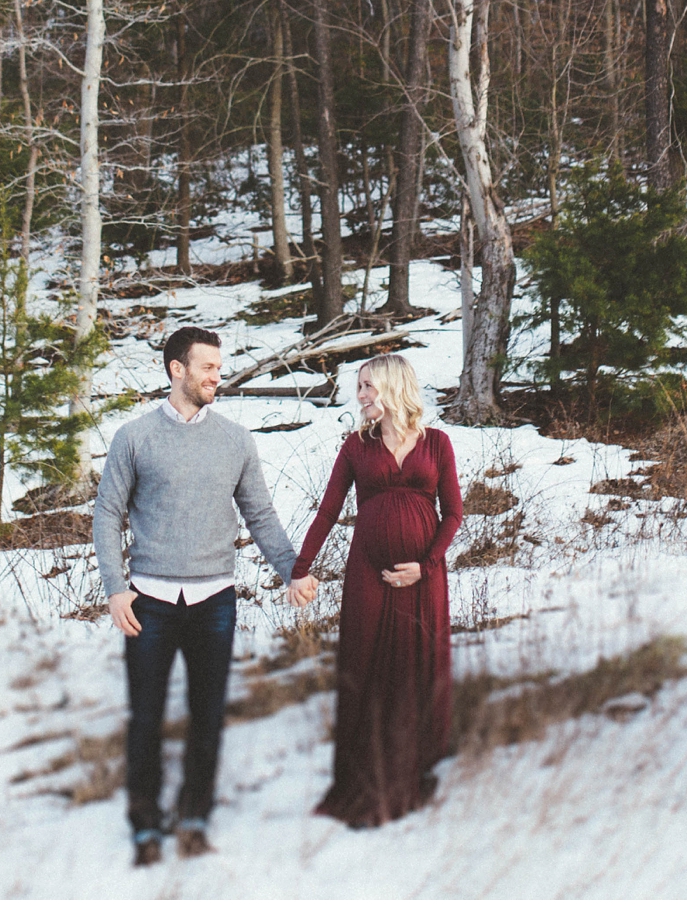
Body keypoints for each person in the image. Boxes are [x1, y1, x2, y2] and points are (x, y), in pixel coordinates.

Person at [93, 325, 319, 868]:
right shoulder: (134, 437)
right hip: (148, 602)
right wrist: (115, 589)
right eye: (208, 367)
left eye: (219, 367)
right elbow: (107, 513)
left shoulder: (235, 440)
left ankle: (195, 819)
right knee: (146, 717)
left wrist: (292, 570)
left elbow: (260, 515)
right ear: (178, 369)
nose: (218, 376)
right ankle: (146, 827)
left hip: (214, 600)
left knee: (207, 715)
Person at [286, 353, 462, 828]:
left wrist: (425, 566)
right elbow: (328, 510)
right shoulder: (356, 447)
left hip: (423, 576)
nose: (361, 395)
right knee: (365, 666)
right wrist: (301, 568)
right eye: (359, 386)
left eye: (368, 386)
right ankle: (365, 782)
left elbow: (453, 514)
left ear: (394, 386)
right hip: (368, 571)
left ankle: (416, 775)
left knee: (416, 667)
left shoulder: (437, 443)